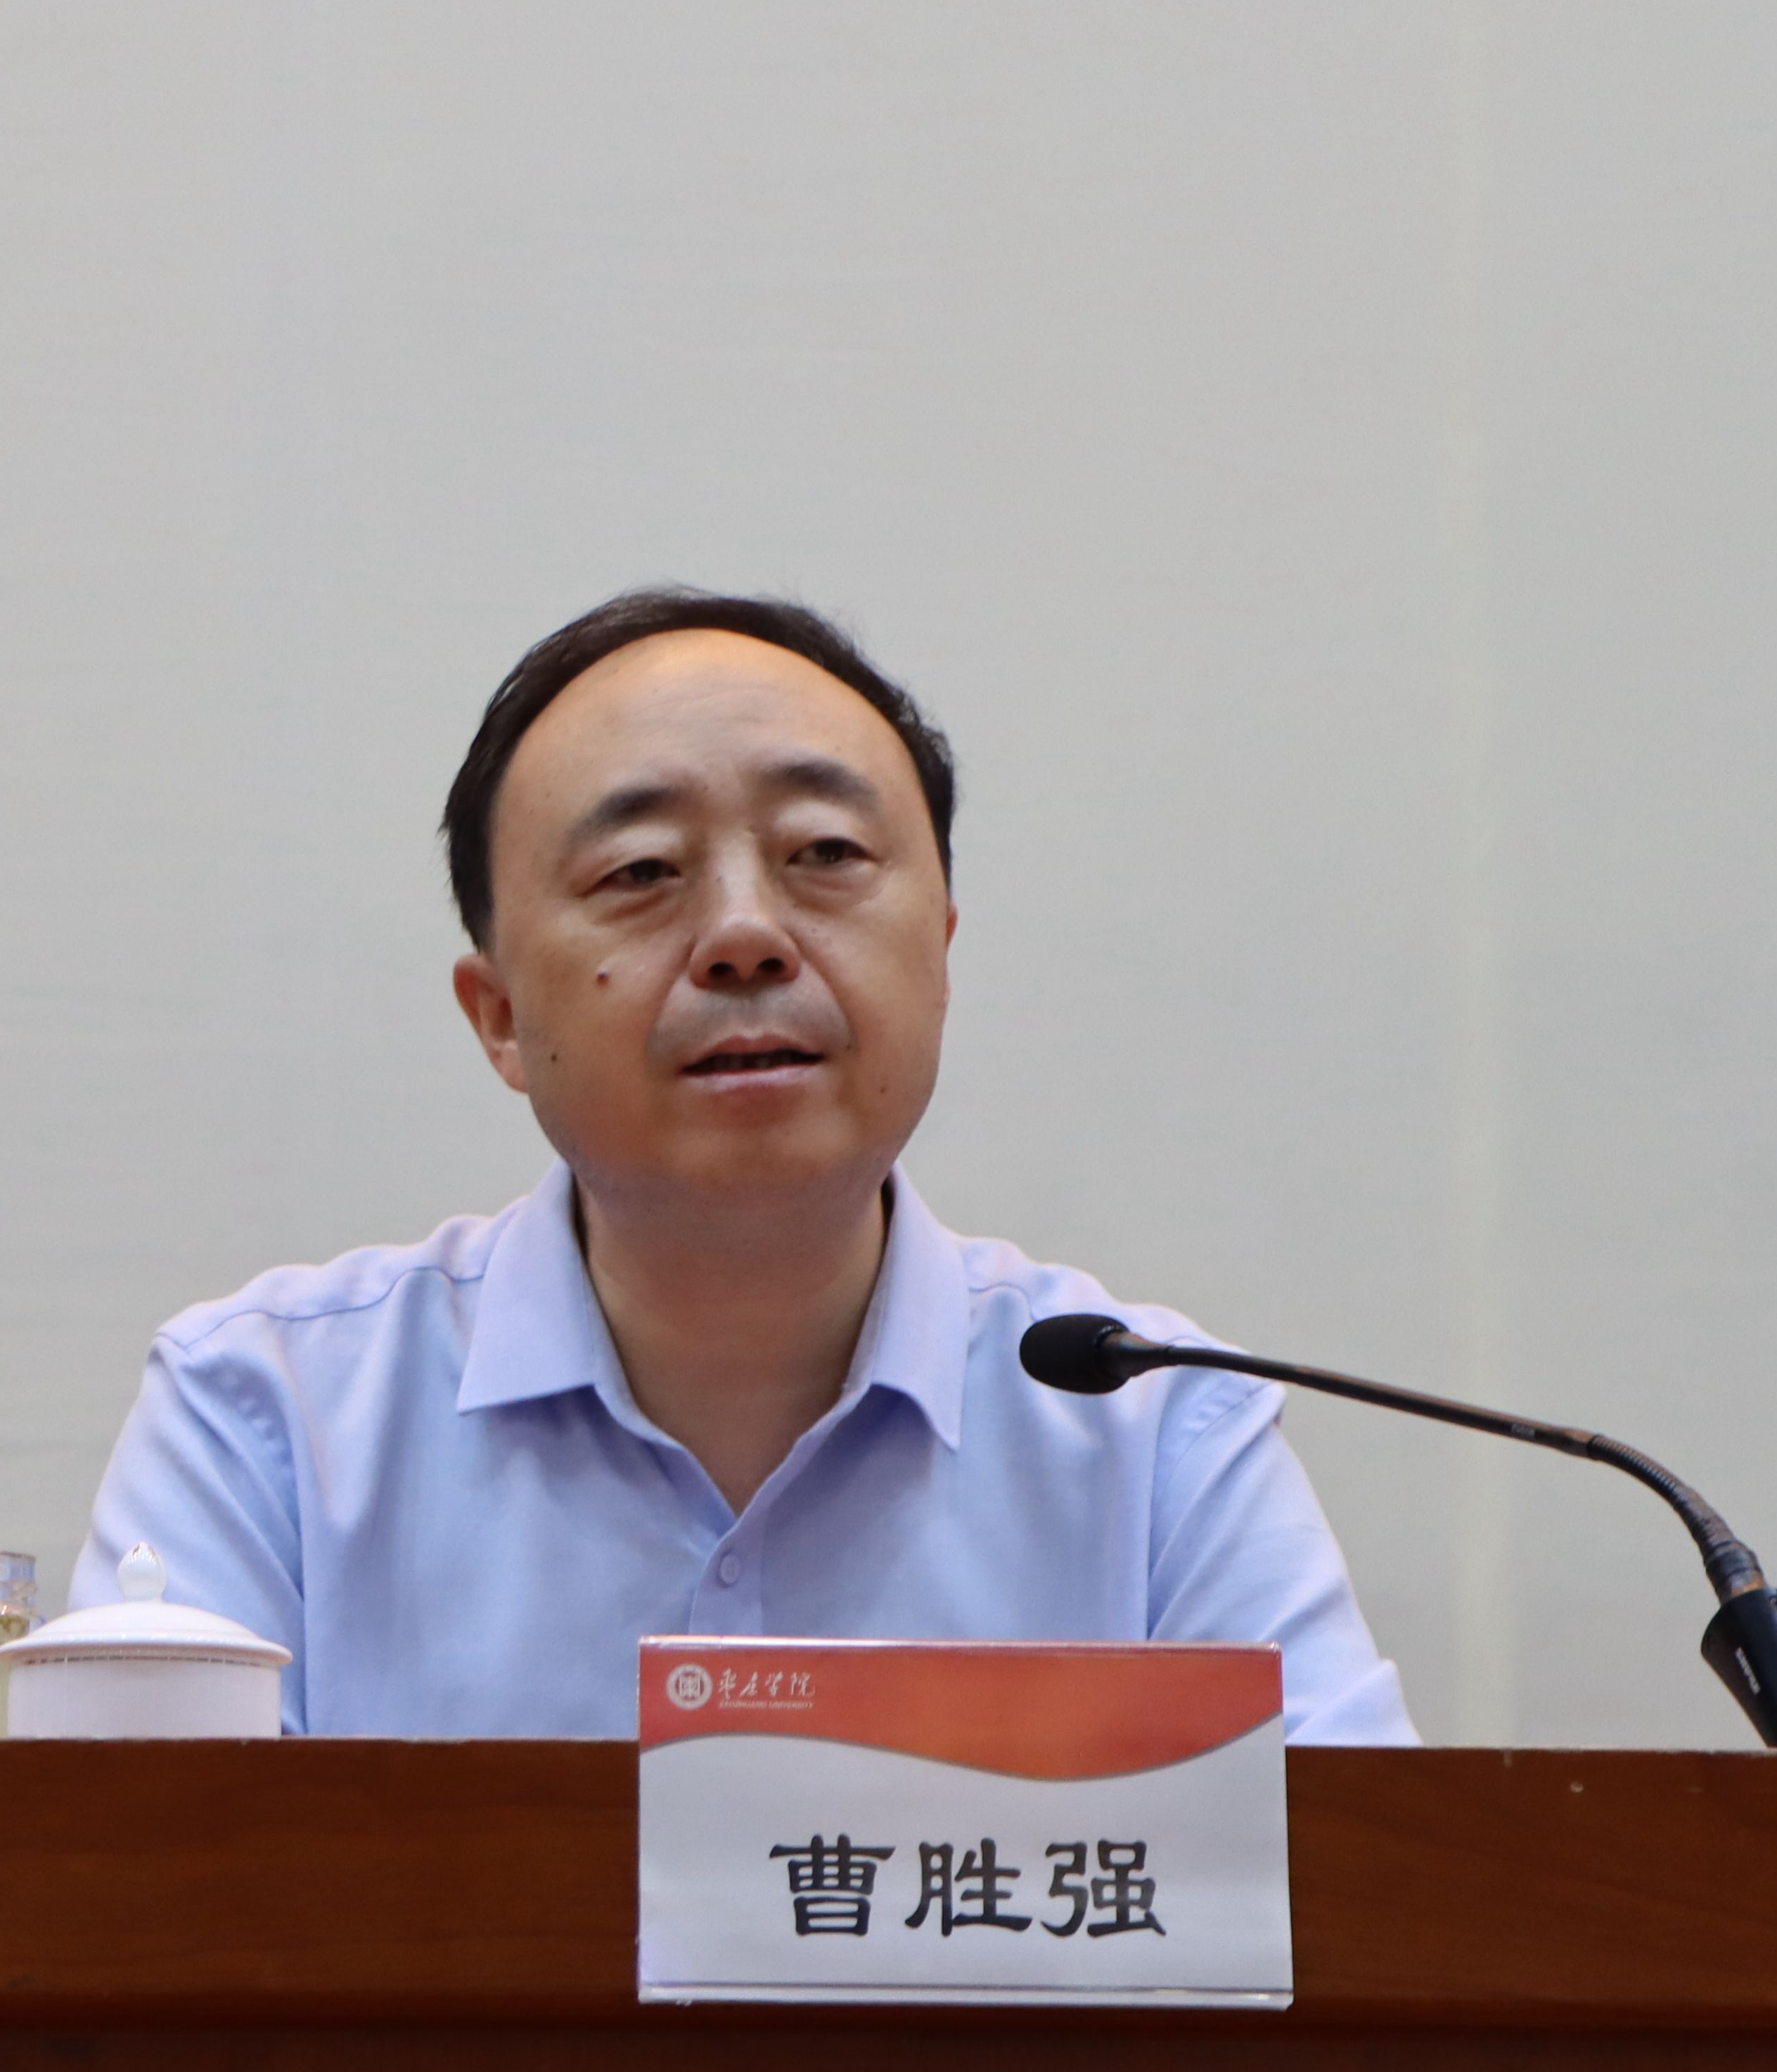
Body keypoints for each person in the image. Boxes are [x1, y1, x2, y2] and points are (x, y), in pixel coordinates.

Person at [70, 589, 1414, 1741]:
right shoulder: (268, 1422)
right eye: (642, 871)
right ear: (500, 1019)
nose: (745, 935)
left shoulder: (1157, 1436)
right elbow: (138, 1918)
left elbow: (1369, 1913)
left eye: (824, 854)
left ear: (942, 953)